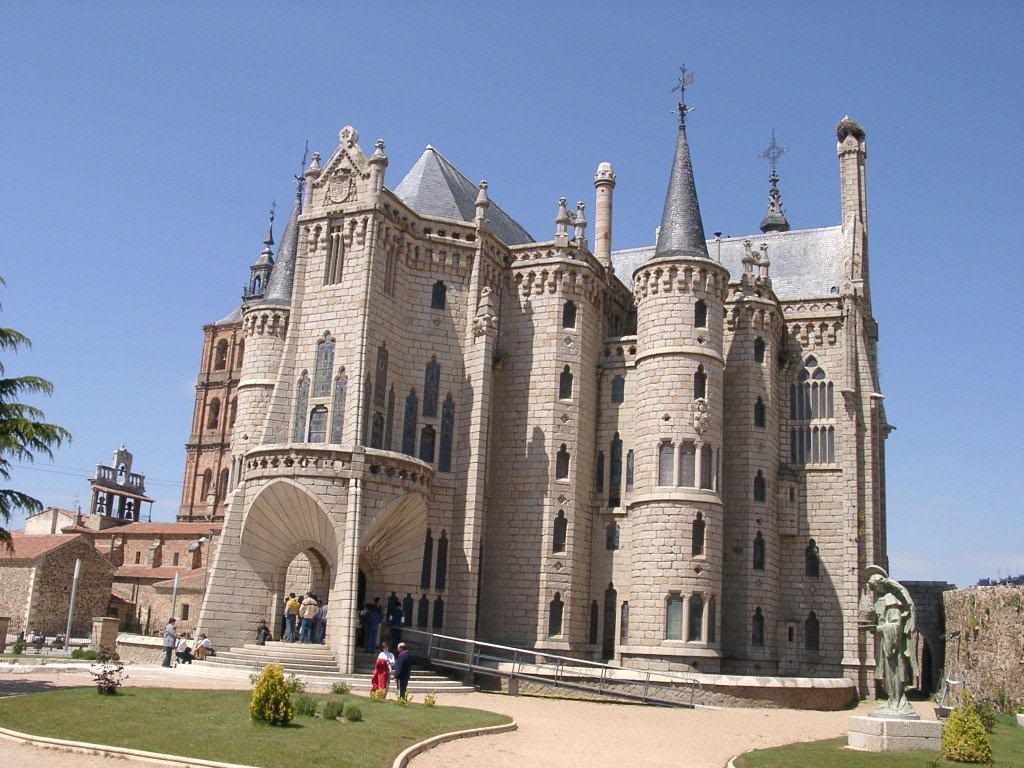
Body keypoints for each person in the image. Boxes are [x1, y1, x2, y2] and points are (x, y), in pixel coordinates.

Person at [864, 564, 919, 716]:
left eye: (874, 587)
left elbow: (896, 625)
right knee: (887, 673)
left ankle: (898, 701)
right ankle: (892, 699)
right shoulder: (881, 600)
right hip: (885, 643)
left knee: (894, 671)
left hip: (893, 645)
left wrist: (879, 629)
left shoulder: (891, 600)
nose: (873, 591)